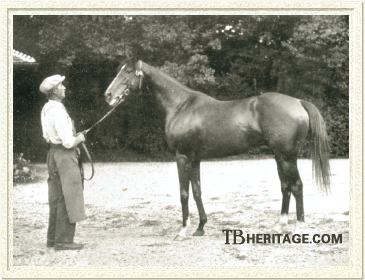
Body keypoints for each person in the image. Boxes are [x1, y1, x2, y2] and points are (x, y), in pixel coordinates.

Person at [40, 74, 86, 250]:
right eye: (61, 86)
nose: (64, 88)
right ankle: (65, 241)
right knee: (70, 194)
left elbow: (48, 135)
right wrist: (79, 138)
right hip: (65, 155)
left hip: (52, 153)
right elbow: (68, 142)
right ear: (54, 91)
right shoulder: (58, 110)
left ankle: (53, 239)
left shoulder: (46, 108)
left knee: (56, 196)